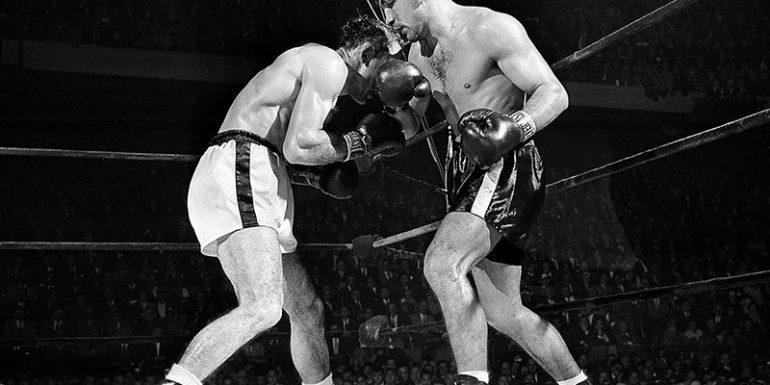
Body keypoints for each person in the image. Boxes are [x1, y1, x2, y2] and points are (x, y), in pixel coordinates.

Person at [163, 16, 426, 385]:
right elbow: (300, 145)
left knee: (306, 309)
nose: (382, 83)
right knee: (262, 307)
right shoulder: (329, 63)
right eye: (385, 67)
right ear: (367, 54)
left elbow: (296, 151)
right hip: (244, 165)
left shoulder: (320, 77)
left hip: (261, 173)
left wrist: (322, 170)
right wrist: (358, 143)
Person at [382, 1, 591, 384]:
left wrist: (513, 128)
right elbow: (412, 126)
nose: (389, 20)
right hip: (462, 173)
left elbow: (554, 93)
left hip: (504, 163)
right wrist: (391, 109)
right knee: (504, 313)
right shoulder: (417, 55)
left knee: (442, 263)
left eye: (390, 5)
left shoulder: (490, 28)